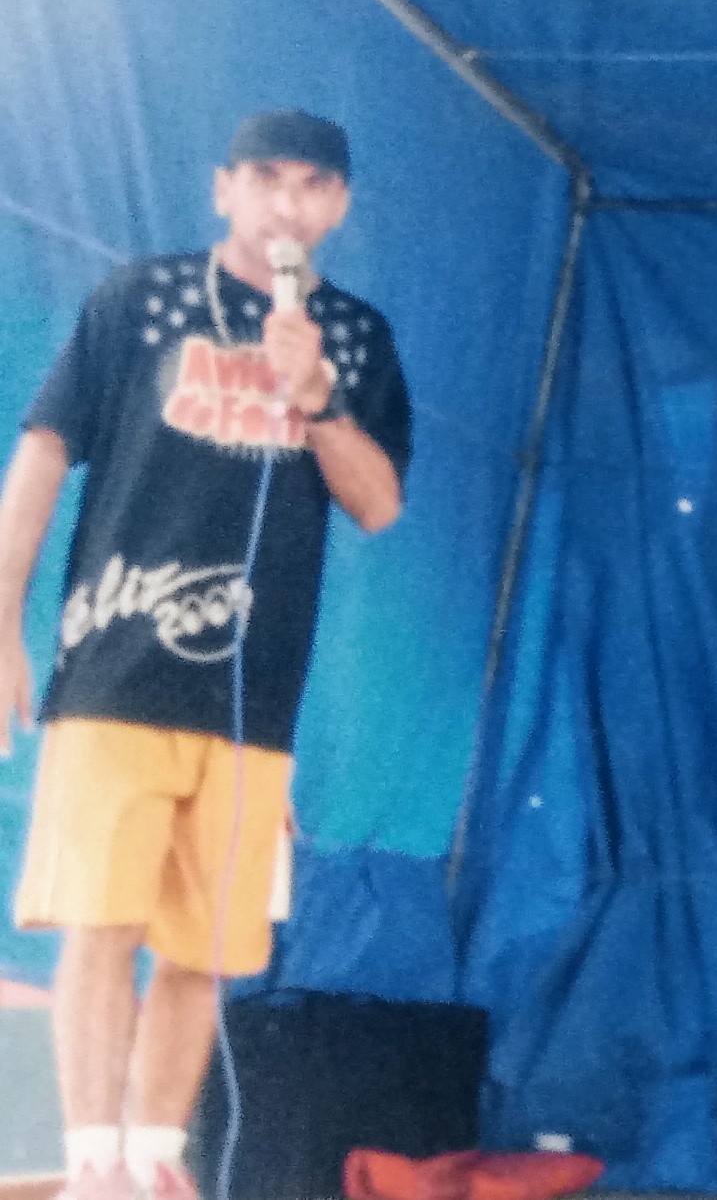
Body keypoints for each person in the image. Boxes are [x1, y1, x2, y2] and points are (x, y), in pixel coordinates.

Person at [3, 110, 412, 1200]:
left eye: (313, 184)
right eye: (266, 178)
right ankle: (91, 1164)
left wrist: (318, 399)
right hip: (114, 668)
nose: (287, 202)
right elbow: (41, 452)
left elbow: (378, 502)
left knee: (207, 949)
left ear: (340, 206)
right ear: (223, 188)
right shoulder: (139, 300)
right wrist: (1, 620)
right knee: (101, 924)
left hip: (251, 697)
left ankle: (153, 1157)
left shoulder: (355, 336)